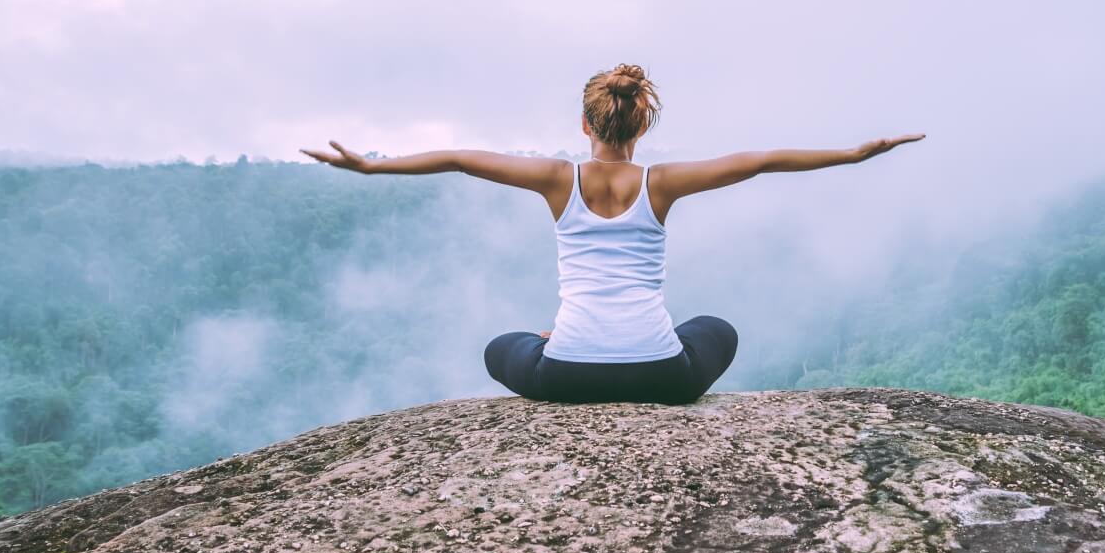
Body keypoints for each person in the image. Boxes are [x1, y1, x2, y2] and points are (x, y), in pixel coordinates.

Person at [301, 63, 924, 404]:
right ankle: (612, 338)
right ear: (642, 127)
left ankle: (561, 336)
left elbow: (462, 157)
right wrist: (852, 154)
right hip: (664, 379)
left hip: (567, 377)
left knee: (502, 346)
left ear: (584, 123)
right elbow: (760, 161)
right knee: (716, 330)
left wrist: (372, 165)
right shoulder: (661, 182)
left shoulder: (555, 179)